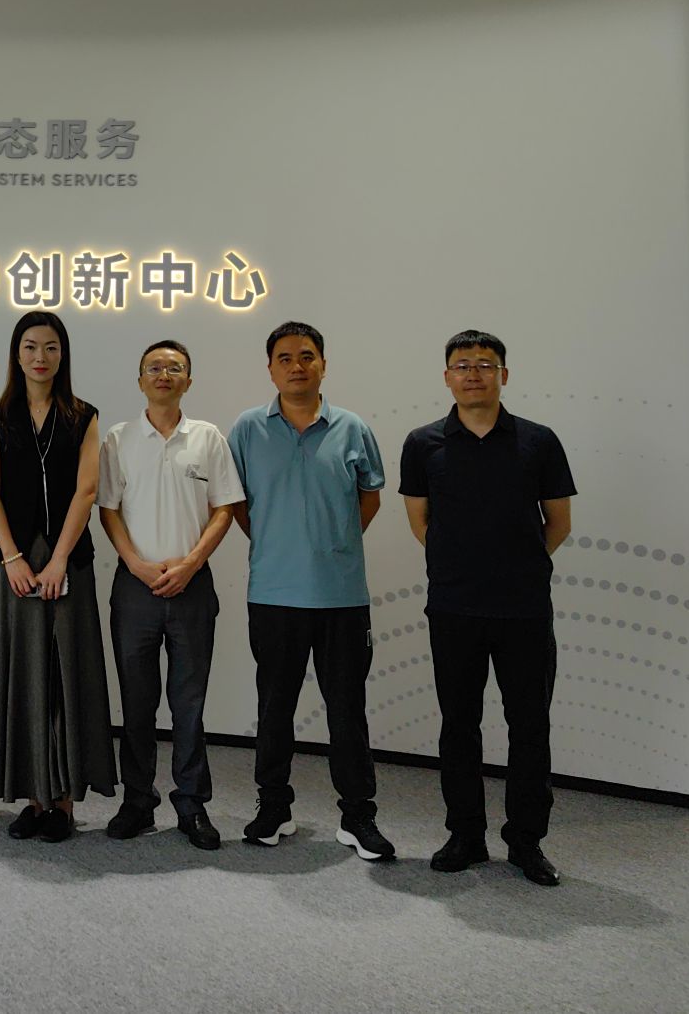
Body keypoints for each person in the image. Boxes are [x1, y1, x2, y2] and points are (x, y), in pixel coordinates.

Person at [399, 330, 575, 886]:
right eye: (462, 365)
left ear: (504, 374)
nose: (472, 373)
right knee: (459, 726)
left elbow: (558, 522)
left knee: (530, 727)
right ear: (446, 376)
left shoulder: (538, 441)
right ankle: (466, 835)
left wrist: (517, 566)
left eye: (484, 364)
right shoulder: (423, 443)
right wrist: (464, 566)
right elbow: (421, 523)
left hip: (524, 610)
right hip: (454, 609)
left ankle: (526, 841)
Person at [227, 321, 393, 860]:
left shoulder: (352, 428)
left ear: (323, 364)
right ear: (270, 368)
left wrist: (333, 543)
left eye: (306, 356)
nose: (296, 366)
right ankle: (273, 807)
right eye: (284, 358)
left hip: (341, 597)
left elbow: (369, 497)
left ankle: (358, 816)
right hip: (273, 594)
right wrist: (277, 544)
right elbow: (236, 504)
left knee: (347, 710)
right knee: (274, 709)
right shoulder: (247, 429)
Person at [0, 311, 117, 841]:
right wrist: (11, 557)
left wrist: (58, 561)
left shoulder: (83, 415)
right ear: (16, 353)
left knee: (66, 675)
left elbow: (87, 490)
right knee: (23, 675)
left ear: (63, 355)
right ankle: (33, 799)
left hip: (67, 559)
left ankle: (65, 803)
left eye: (51, 347)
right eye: (30, 346)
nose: (40, 357)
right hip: (14, 562)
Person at [98, 339, 241, 850]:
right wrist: (135, 564)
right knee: (136, 702)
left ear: (188, 380)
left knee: (189, 703)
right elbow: (108, 509)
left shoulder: (208, 437)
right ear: (140, 380)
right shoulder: (118, 439)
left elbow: (224, 507)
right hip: (134, 587)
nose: (164, 374)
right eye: (154, 367)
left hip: (191, 587)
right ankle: (137, 801)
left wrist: (191, 564)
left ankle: (192, 804)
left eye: (174, 368)